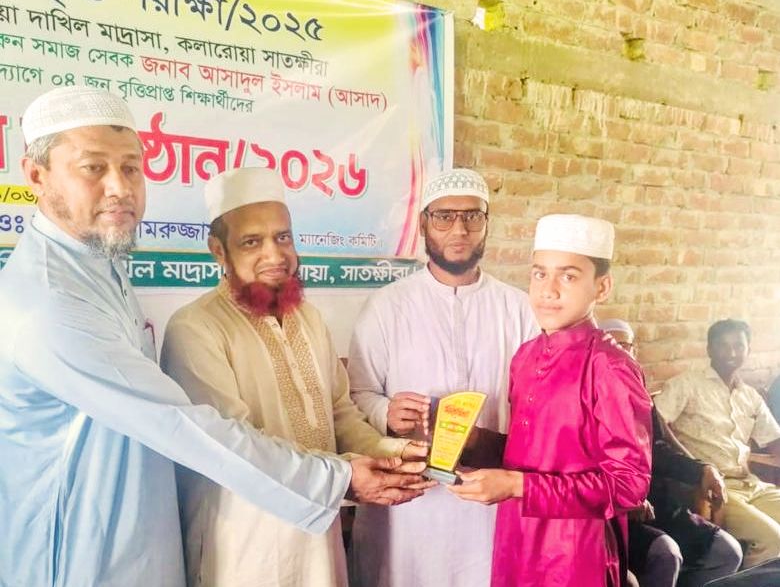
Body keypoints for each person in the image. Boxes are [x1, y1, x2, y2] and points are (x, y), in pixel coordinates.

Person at [0, 87, 428, 587]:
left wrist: (383, 451)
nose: (120, 187)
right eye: (93, 167)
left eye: (132, 168)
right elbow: (186, 426)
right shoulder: (52, 298)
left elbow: (338, 413)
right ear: (36, 175)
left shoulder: (101, 268)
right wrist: (343, 476)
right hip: (89, 549)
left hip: (156, 538)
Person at [160, 167, 430, 587]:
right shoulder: (195, 328)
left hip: (319, 534)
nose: (275, 255)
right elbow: (235, 448)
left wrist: (394, 453)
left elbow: (340, 413)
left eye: (283, 237)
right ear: (218, 251)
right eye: (252, 241)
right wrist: (346, 476)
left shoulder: (309, 318)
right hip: (244, 543)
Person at [346, 168, 538, 586]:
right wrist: (384, 412)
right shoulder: (386, 306)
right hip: (411, 504)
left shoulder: (520, 309)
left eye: (472, 217)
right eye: (444, 217)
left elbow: (537, 407)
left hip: (489, 498)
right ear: (422, 225)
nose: (459, 229)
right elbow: (356, 393)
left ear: (487, 223)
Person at [449, 213, 653, 587]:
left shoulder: (610, 367)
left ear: (602, 287)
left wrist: (518, 487)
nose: (548, 290)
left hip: (576, 553)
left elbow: (628, 485)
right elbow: (533, 454)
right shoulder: (525, 356)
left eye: (568, 276)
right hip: (517, 538)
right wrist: (475, 443)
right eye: (539, 274)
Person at [598, 319, 742, 587]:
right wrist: (622, 496)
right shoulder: (583, 398)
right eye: (612, 346)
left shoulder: (640, 397)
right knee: (666, 554)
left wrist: (702, 470)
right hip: (612, 514)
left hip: (657, 504)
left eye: (626, 346)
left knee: (727, 552)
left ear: (635, 351)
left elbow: (659, 450)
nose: (620, 353)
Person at [655, 318, 780, 569]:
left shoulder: (750, 396)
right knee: (773, 540)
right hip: (712, 488)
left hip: (751, 484)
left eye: (738, 346)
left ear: (748, 349)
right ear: (709, 349)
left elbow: (774, 441)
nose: (731, 353)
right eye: (723, 346)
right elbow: (655, 421)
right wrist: (695, 464)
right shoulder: (687, 384)